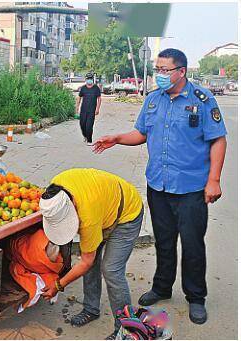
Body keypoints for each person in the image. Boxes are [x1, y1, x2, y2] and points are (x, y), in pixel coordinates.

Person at [93, 48, 227, 325]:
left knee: (192, 245)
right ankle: (162, 287)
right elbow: (142, 133)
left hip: (191, 188)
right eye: (157, 70)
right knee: (163, 241)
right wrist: (117, 138)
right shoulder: (153, 100)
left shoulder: (203, 100)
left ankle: (196, 297)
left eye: (165, 70)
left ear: (181, 72)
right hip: (158, 185)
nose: (160, 75)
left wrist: (213, 180)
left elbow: (218, 140)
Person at [40, 168, 143, 339]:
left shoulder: (87, 217)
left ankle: (126, 330)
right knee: (91, 261)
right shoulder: (55, 190)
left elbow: (85, 262)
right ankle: (91, 309)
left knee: (111, 270)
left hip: (127, 214)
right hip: (104, 207)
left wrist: (58, 285)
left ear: (73, 206)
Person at [77, 72, 102, 145]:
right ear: (86, 79)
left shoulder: (96, 88)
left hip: (92, 111)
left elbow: (99, 99)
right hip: (83, 110)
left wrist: (97, 109)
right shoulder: (83, 88)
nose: (89, 80)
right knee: (82, 125)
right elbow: (79, 98)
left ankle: (89, 140)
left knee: (89, 126)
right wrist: (77, 108)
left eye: (90, 79)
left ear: (92, 79)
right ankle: (85, 136)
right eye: (88, 79)